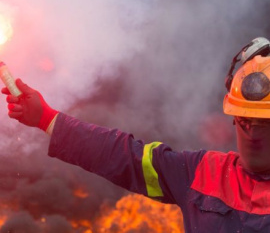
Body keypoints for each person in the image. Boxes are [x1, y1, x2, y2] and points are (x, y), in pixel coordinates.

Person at [2, 37, 270, 233]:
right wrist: (46, 118)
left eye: (264, 122)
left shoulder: (203, 173)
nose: (253, 132)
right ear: (234, 117)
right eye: (246, 119)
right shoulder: (203, 172)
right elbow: (123, 155)